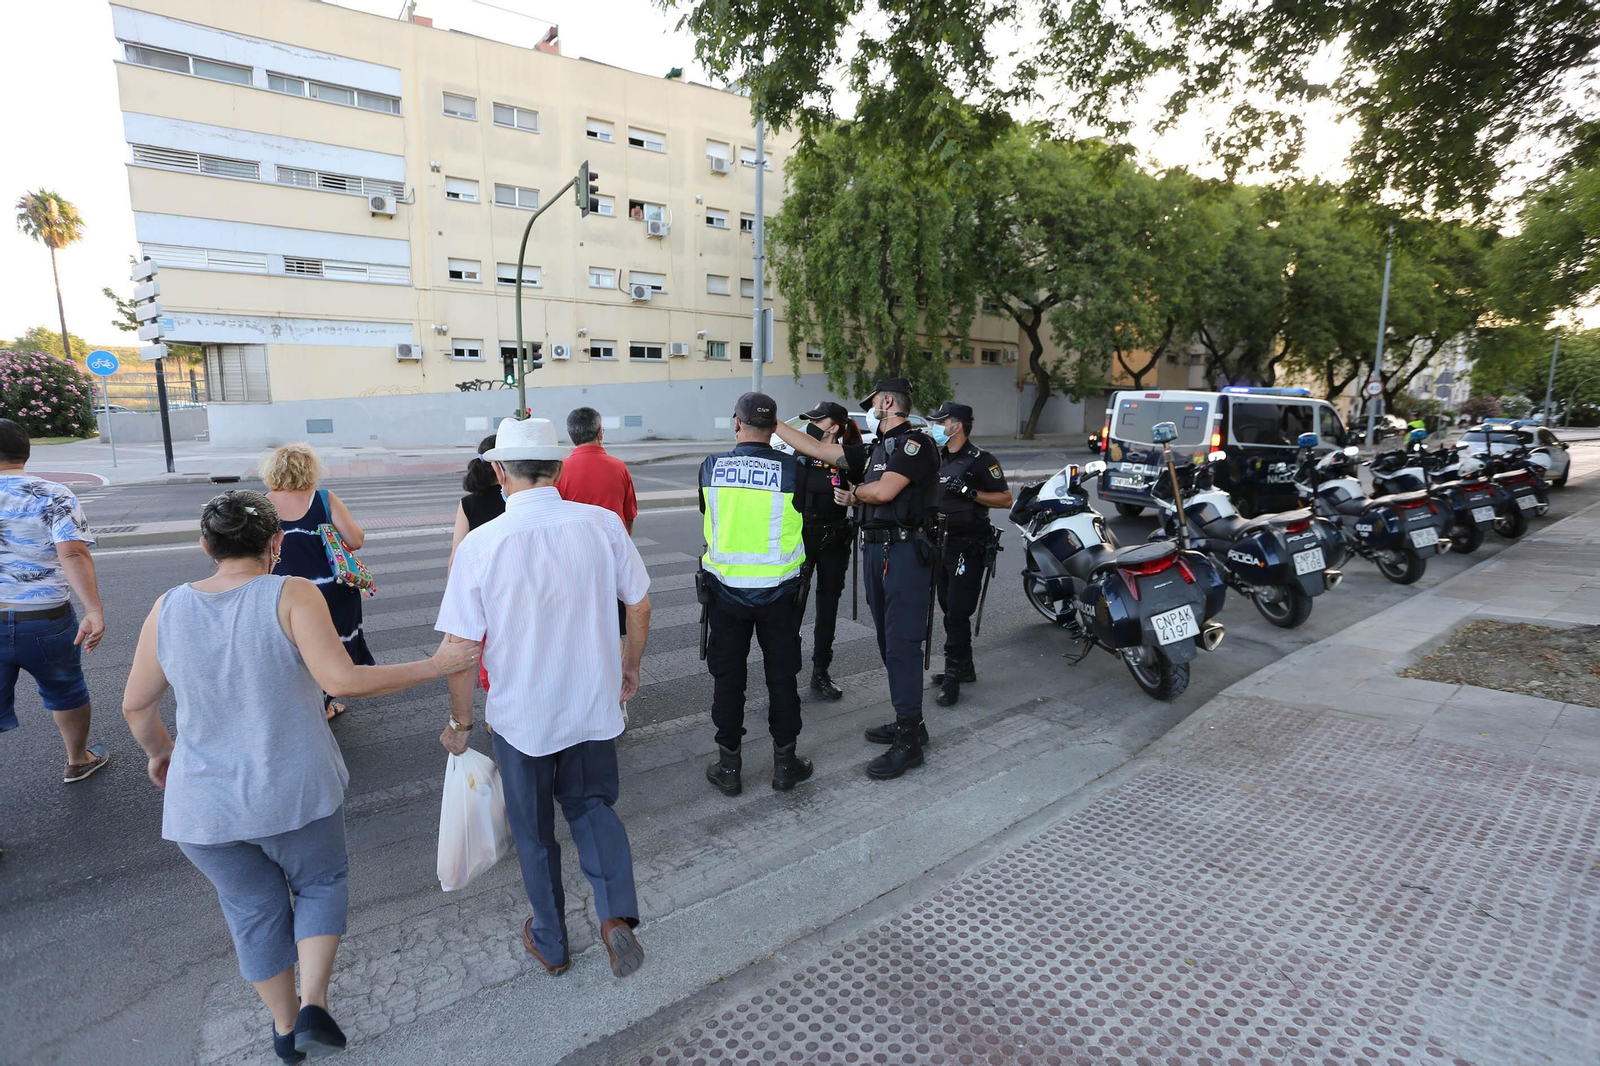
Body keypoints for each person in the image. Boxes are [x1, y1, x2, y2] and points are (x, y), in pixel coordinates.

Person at [119, 491, 477, 1063]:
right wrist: (437, 666)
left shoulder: (168, 606)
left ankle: (286, 1031)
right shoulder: (291, 593)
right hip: (294, 790)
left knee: (253, 910)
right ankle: (315, 1004)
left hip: (203, 808)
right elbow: (345, 681)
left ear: (207, 546)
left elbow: (136, 707)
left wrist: (160, 754)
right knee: (318, 883)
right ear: (276, 544)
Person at [436, 417, 651, 980]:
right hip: (592, 705)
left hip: (522, 717)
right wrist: (629, 668)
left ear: (499, 471)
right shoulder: (602, 525)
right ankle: (614, 917)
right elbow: (641, 604)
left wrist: (460, 722)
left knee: (534, 832)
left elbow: (460, 647)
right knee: (592, 807)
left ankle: (552, 942)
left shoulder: (482, 545)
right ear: (557, 468)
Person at [772, 378, 941, 781]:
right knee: (888, 641)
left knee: (901, 644)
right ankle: (911, 722)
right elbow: (814, 448)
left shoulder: (914, 445)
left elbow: (883, 492)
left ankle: (909, 740)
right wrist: (771, 421)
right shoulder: (873, 449)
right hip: (878, 551)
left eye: (872, 403)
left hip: (904, 552)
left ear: (886, 402)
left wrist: (857, 493)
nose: (868, 409)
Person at [697, 392, 815, 797]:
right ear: (774, 427)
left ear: (736, 423)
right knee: (782, 678)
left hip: (726, 595)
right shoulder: (794, 469)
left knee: (728, 679)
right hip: (780, 596)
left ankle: (729, 767)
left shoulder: (711, 468)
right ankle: (786, 765)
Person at [0, 417, 110, 785]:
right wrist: (93, 610)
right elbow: (74, 554)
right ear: (26, 453)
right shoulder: (53, 494)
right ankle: (78, 760)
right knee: (65, 688)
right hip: (45, 618)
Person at [262, 444, 374, 720]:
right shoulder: (324, 499)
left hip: (281, 592)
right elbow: (355, 540)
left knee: (293, 648)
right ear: (310, 470)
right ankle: (323, 703)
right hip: (328, 591)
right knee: (331, 645)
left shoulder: (263, 503)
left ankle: (299, 703)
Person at [927, 402, 1012, 707]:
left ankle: (952, 677)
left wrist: (970, 492)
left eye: (941, 421)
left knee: (958, 611)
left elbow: (1005, 499)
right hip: (941, 544)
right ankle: (965, 666)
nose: (935, 426)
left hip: (968, 545)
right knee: (948, 606)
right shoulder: (937, 458)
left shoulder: (981, 461)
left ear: (957, 425)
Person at [794, 401, 861, 700]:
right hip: (802, 537)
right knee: (793, 607)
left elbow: (869, 492)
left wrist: (853, 499)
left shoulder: (849, 457)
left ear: (833, 427)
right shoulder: (798, 454)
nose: (810, 424)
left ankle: (820, 672)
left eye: (816, 420)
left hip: (834, 538)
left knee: (828, 608)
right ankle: (785, 672)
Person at [451, 435, 504, 697]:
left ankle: (495, 706)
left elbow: (457, 553)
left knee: (488, 647)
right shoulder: (515, 499)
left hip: (483, 588)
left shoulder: (468, 503)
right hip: (513, 585)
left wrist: (455, 595)